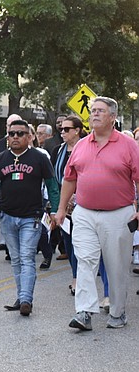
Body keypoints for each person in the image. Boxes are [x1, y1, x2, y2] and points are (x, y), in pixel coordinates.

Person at [56, 97, 139, 330]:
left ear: (112, 117)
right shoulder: (82, 145)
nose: (94, 114)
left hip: (118, 214)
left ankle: (117, 312)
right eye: (93, 111)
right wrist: (61, 209)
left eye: (100, 111)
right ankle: (84, 312)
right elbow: (69, 178)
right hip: (84, 212)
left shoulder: (128, 145)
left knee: (116, 266)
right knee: (85, 260)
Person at [0, 119, 59, 316]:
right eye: (11, 134)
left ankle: (26, 299)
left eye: (20, 133)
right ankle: (21, 296)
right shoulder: (0, 159)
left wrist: (54, 210)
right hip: (8, 217)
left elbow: (52, 186)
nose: (15, 137)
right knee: (16, 259)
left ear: (29, 136)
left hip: (32, 217)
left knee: (26, 257)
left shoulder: (40, 158)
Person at [51, 116, 84, 293]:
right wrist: (59, 203)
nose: (62, 132)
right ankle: (75, 277)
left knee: (82, 244)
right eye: (61, 129)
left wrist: (76, 195)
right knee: (69, 243)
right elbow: (54, 179)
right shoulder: (58, 150)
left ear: (77, 130)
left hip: (84, 202)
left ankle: (82, 278)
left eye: (66, 129)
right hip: (65, 205)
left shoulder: (87, 147)